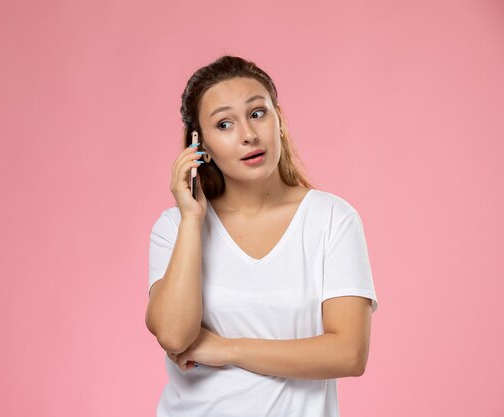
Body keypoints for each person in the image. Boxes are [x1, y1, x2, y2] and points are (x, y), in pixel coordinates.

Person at [145, 55, 379, 417]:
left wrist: (226, 349)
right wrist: (192, 219)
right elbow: (175, 337)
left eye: (257, 113)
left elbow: (349, 353)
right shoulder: (174, 228)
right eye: (224, 124)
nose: (248, 135)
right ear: (199, 146)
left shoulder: (332, 219)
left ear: (279, 119)